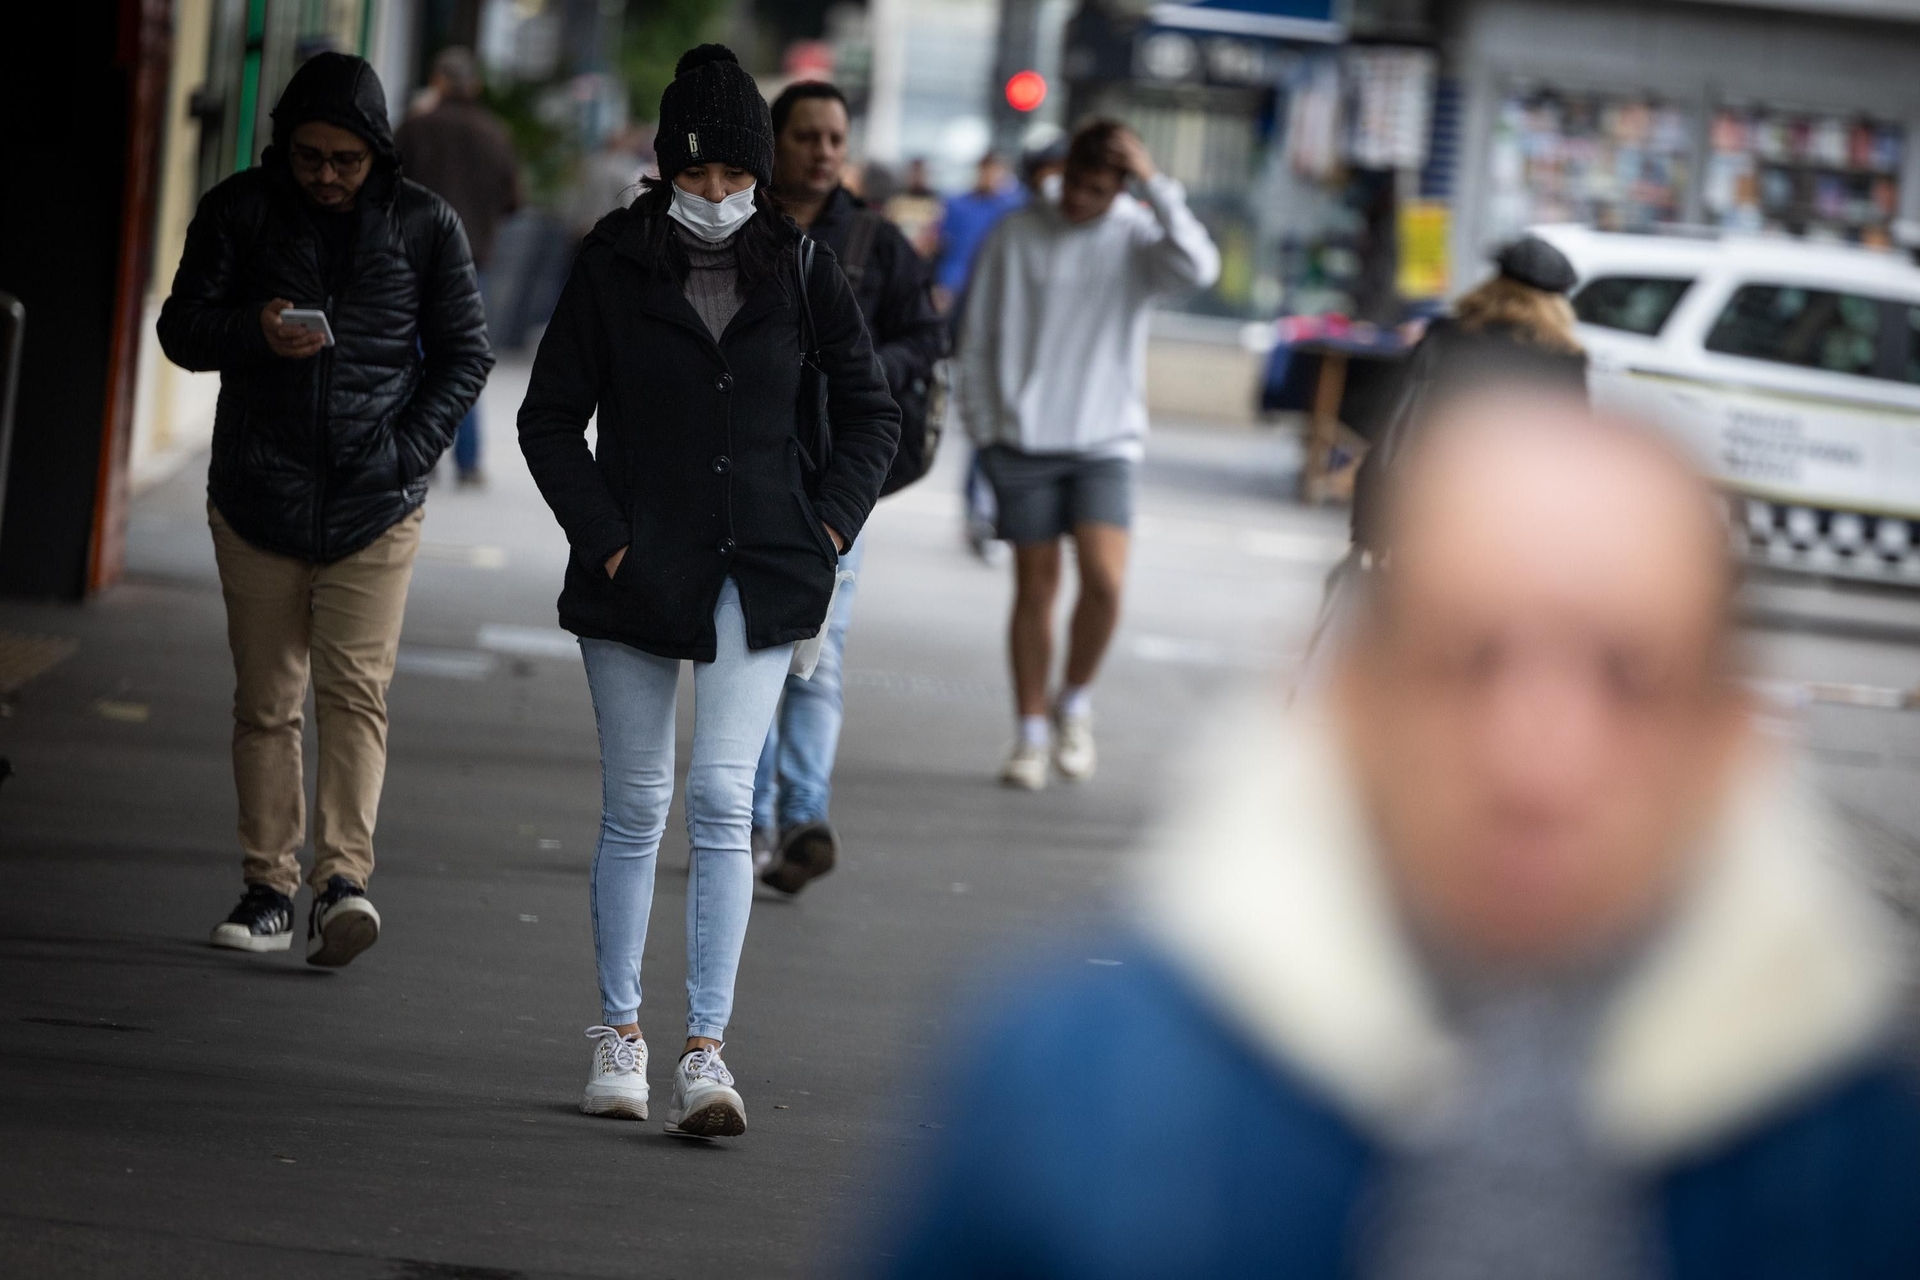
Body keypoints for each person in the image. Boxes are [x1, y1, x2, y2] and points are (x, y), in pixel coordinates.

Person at [878, 395, 1920, 1277]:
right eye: (1469, 659)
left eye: (1629, 676)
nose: (1538, 760)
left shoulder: (1857, 1151)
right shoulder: (1073, 1088)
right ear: (1349, 698)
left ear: (1730, 735)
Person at [517, 45, 900, 1137]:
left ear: (762, 174)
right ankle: (619, 1033)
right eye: (698, 180)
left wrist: (825, 529)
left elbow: (874, 413)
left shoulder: (806, 266)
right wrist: (610, 543)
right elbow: (547, 420)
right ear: (665, 170)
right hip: (638, 569)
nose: (719, 199)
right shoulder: (611, 262)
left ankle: (706, 1051)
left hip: (766, 567)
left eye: (737, 178)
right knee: (638, 803)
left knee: (725, 800)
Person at [158, 53, 491, 965]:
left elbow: (465, 353)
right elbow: (180, 327)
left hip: (374, 503)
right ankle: (266, 887)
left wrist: (403, 454)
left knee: (356, 694)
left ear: (377, 153)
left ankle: (342, 883)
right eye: (310, 157)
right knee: (266, 702)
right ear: (285, 148)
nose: (328, 176)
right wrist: (251, 331)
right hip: (258, 491)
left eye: (346, 160)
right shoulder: (239, 210)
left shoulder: (425, 224)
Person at [959, 119, 1219, 790]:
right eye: (1075, 183)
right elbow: (978, 336)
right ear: (1062, 171)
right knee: (1035, 587)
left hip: (1106, 440)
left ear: (1120, 189)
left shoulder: (1136, 235)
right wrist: (985, 431)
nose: (1079, 200)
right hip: (1021, 439)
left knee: (1105, 581)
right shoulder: (1017, 232)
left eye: (1098, 190)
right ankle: (1030, 733)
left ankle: (1074, 701)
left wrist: (1157, 186)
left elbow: (1199, 266)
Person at [751, 80, 946, 896]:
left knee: (816, 654)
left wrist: (864, 369)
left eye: (836, 138)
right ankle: (747, 818)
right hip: (746, 472)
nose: (824, 152)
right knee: (749, 648)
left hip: (838, 484)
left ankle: (803, 818)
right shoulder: (742, 228)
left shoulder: (873, 240)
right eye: (807, 137)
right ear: (776, 141)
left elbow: (928, 337)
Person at [395, 45, 522, 485]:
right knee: (463, 356)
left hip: (414, 259)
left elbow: (383, 187)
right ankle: (467, 462)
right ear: (476, 86)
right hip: (472, 261)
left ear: (438, 81)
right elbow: (513, 201)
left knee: (412, 353)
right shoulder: (495, 135)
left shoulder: (415, 127)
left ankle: (419, 452)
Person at [931, 151, 1023, 316]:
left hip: (996, 285)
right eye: (986, 170)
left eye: (996, 171)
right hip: (957, 284)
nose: (990, 176)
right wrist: (943, 284)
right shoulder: (956, 204)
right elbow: (945, 247)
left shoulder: (1013, 208)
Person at [883, 156, 944, 260]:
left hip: (922, 261)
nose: (917, 178)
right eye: (914, 173)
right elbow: (887, 230)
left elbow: (937, 237)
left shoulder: (934, 204)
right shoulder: (897, 202)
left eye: (920, 173)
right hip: (898, 258)